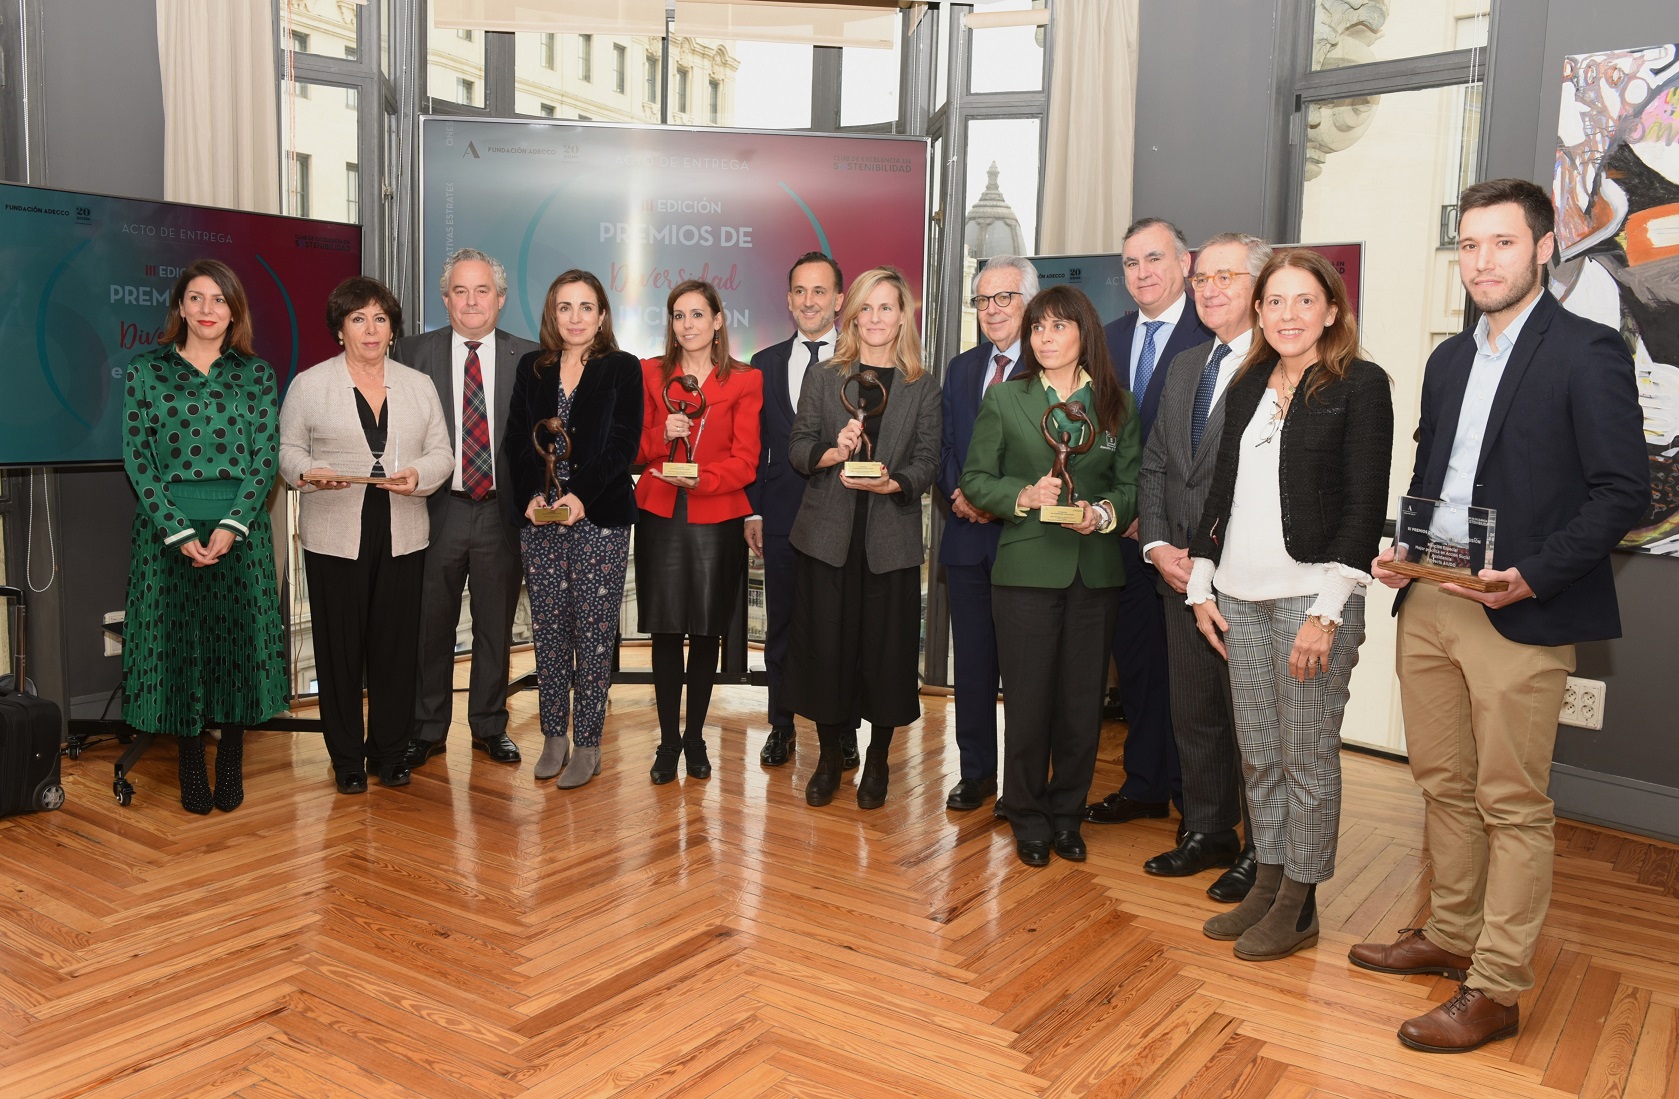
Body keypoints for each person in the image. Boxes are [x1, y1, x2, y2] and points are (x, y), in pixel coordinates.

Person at [1351, 179, 1648, 1053]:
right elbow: (1436, 480)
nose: (1481, 261)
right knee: (1441, 782)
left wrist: (1533, 575)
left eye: (1502, 243)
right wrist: (1398, 547)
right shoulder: (1447, 359)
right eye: (1470, 245)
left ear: (1543, 248)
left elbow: (1622, 491)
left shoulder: (1587, 351)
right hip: (1429, 598)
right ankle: (1449, 932)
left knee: (1511, 803)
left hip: (1519, 609)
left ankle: (1497, 985)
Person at [1185, 249, 1393, 961]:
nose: (1288, 314)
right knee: (1261, 756)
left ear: (1331, 310)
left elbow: (1364, 504)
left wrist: (1327, 612)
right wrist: (1200, 581)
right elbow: (1221, 489)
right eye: (1274, 301)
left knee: (1305, 757)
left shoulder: (1360, 385)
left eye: (1305, 300)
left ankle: (1300, 902)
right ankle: (1268, 880)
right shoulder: (1249, 381)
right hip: (1238, 598)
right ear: (1258, 311)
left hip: (1311, 598)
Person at [960, 286, 1139, 866]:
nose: (1045, 337)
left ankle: (1067, 815)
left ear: (1085, 333)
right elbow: (975, 479)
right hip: (1025, 571)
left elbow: (1130, 486)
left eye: (1059, 326)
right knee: (1029, 701)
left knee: (1082, 705)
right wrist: (1023, 494)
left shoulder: (1116, 404)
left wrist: (1102, 514)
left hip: (1095, 571)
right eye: (1038, 327)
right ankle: (1027, 814)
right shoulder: (1005, 399)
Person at [120, 259, 288, 814]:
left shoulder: (256, 374)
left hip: (241, 532)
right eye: (196, 298)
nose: (208, 309)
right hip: (167, 534)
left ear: (234, 310)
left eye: (219, 299)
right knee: (180, 650)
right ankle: (191, 762)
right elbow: (137, 457)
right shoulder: (146, 371)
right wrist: (176, 528)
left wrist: (233, 526)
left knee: (236, 649)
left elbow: (265, 456)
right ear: (180, 307)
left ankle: (231, 760)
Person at [1136, 233, 1273, 902]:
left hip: (1244, 575)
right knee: (1193, 712)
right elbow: (1157, 465)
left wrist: (1211, 558)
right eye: (1202, 279)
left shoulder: (1281, 365)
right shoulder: (1188, 363)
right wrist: (1157, 545)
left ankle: (1260, 849)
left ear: (1258, 286)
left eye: (1226, 277)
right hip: (1178, 573)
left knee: (1251, 719)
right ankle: (1208, 829)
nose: (1210, 289)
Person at [279, 277, 454, 792]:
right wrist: (308, 472)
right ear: (340, 329)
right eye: (358, 319)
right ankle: (347, 759)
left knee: (395, 647)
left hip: (403, 527)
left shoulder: (418, 385)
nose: (370, 329)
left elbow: (442, 453)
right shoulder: (309, 384)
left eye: (380, 319)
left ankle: (390, 752)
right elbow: (287, 451)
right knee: (340, 650)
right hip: (334, 530)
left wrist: (419, 474)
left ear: (393, 329)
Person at [783, 266, 941, 809]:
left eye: (886, 307)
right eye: (866, 308)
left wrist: (894, 483)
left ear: (902, 317)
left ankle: (877, 761)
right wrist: (834, 450)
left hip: (889, 542)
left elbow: (928, 461)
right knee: (826, 653)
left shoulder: (922, 384)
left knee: (886, 657)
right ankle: (829, 758)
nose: (875, 318)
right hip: (827, 540)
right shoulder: (825, 376)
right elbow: (798, 447)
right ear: (851, 316)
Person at [393, 249, 538, 769]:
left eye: (482, 291)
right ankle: (427, 728)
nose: (472, 301)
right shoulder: (411, 353)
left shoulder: (531, 358)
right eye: (461, 291)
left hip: (503, 513)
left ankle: (489, 725)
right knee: (430, 626)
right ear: (445, 298)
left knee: (495, 627)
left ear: (500, 299)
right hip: (436, 509)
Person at [1087, 218, 1210, 827]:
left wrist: (1156, 519)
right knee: (1136, 667)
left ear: (1185, 264)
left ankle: (1198, 804)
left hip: (1186, 542)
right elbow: (1092, 439)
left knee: (1191, 679)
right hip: (1118, 538)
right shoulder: (1106, 339)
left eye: (1155, 258)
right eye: (1132, 263)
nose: (1143, 273)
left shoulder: (1211, 335)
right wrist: (1121, 511)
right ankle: (1144, 785)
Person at [503, 271, 643, 789]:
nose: (576, 317)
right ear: (552, 314)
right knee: (549, 632)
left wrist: (580, 496)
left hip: (598, 520)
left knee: (594, 634)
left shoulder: (622, 368)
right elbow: (516, 441)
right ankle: (553, 737)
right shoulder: (532, 369)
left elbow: (623, 444)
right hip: (541, 522)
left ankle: (587, 744)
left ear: (602, 315)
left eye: (587, 307)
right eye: (565, 307)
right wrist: (531, 496)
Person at [635, 279, 763, 784]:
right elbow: (633, 449)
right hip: (661, 512)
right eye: (678, 316)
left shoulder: (745, 380)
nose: (687, 325)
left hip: (717, 512)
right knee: (666, 630)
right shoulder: (650, 374)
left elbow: (747, 460)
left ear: (717, 321)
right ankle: (668, 740)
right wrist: (659, 436)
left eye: (697, 315)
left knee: (707, 631)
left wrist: (701, 480)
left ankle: (695, 738)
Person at [745, 252, 858, 772]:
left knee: (841, 624)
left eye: (819, 291)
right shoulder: (764, 363)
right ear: (788, 300)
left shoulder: (859, 361)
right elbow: (756, 446)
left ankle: (844, 729)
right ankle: (781, 725)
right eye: (799, 291)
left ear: (838, 300)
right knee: (783, 625)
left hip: (845, 512)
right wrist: (753, 513)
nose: (809, 301)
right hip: (782, 515)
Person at [936, 254, 1036, 812]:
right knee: (972, 666)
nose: (992, 309)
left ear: (1029, 303)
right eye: (982, 299)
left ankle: (1022, 786)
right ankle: (975, 773)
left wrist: (996, 502)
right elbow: (948, 446)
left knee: (1024, 669)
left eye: (1005, 298)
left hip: (1024, 540)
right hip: (966, 538)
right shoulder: (961, 367)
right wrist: (963, 495)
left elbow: (1049, 457)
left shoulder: (1049, 365)